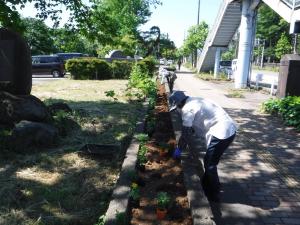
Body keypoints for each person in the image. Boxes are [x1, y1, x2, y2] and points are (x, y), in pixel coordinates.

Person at [169, 91, 237, 202]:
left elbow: (186, 134)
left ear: (180, 104)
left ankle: (214, 194)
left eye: (176, 107)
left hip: (222, 132)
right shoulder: (195, 99)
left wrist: (179, 150)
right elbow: (191, 129)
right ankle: (207, 185)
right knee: (209, 161)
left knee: (210, 163)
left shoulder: (187, 109)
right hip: (229, 129)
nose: (177, 110)